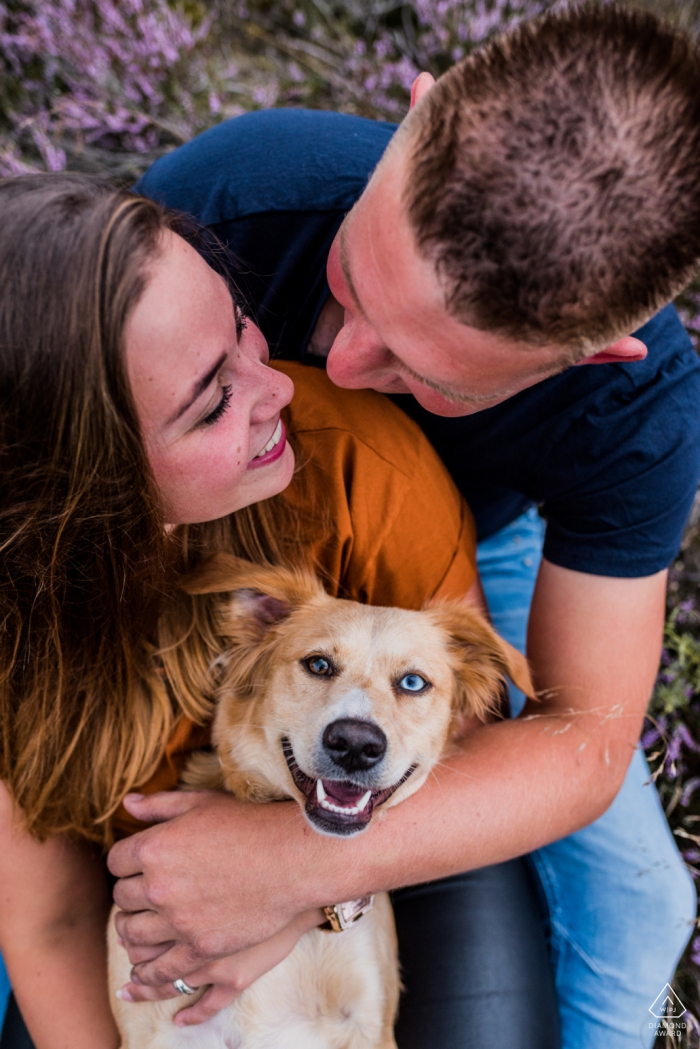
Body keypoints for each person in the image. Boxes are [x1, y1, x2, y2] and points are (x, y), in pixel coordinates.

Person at [106, 6, 700, 1049]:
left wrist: (295, 864)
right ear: (417, 116)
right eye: (347, 286)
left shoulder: (633, 414)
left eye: (420, 377)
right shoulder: (234, 194)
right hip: (221, 502)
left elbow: (584, 735)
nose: (336, 369)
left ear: (591, 353)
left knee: (645, 904)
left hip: (474, 547)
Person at [0, 175, 562, 1048]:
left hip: (403, 841)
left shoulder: (361, 467)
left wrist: (297, 880)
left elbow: (481, 745)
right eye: (213, 400)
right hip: (135, 901)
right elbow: (50, 919)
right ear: (87, 484)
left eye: (239, 327)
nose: (280, 390)